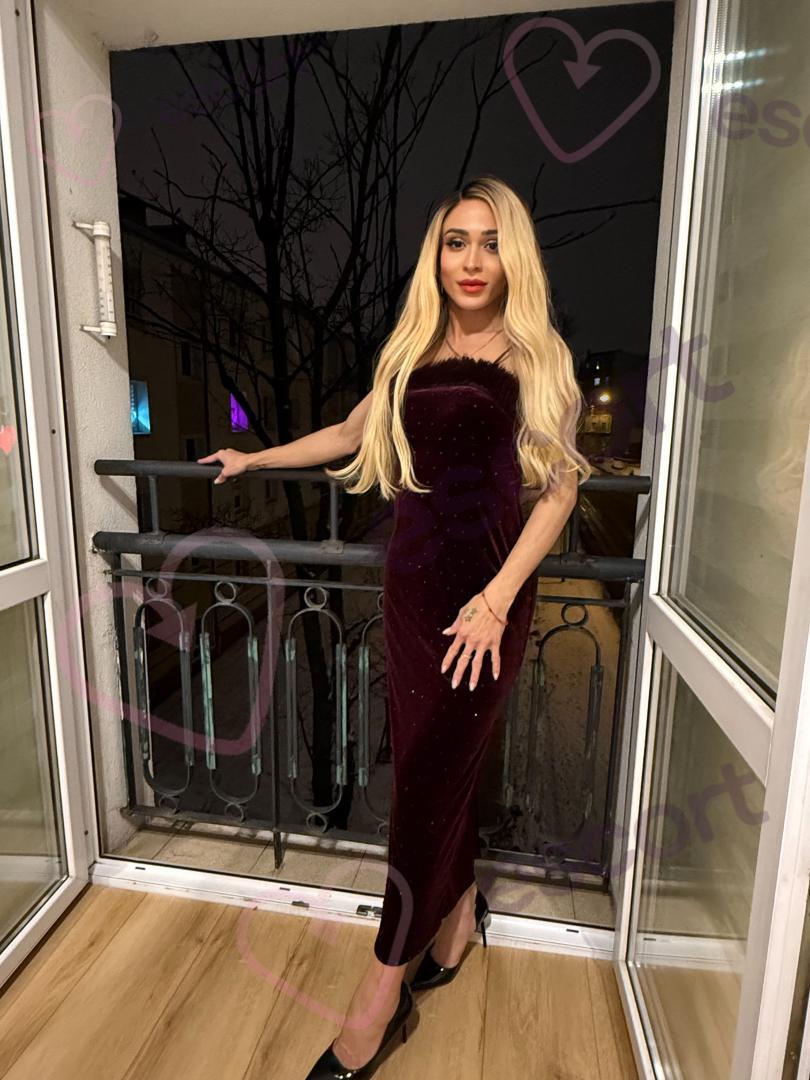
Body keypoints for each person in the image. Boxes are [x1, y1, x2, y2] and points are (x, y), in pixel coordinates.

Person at [198, 175, 590, 1078]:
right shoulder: (411, 349)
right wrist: (255, 457)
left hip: (483, 607)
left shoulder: (539, 356)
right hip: (412, 598)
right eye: (456, 242)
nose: (472, 261)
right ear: (436, 255)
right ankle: (455, 923)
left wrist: (497, 598)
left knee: (423, 793)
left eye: (490, 243)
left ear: (513, 257)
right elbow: (345, 435)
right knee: (429, 773)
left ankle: (377, 1001)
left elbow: (559, 494)